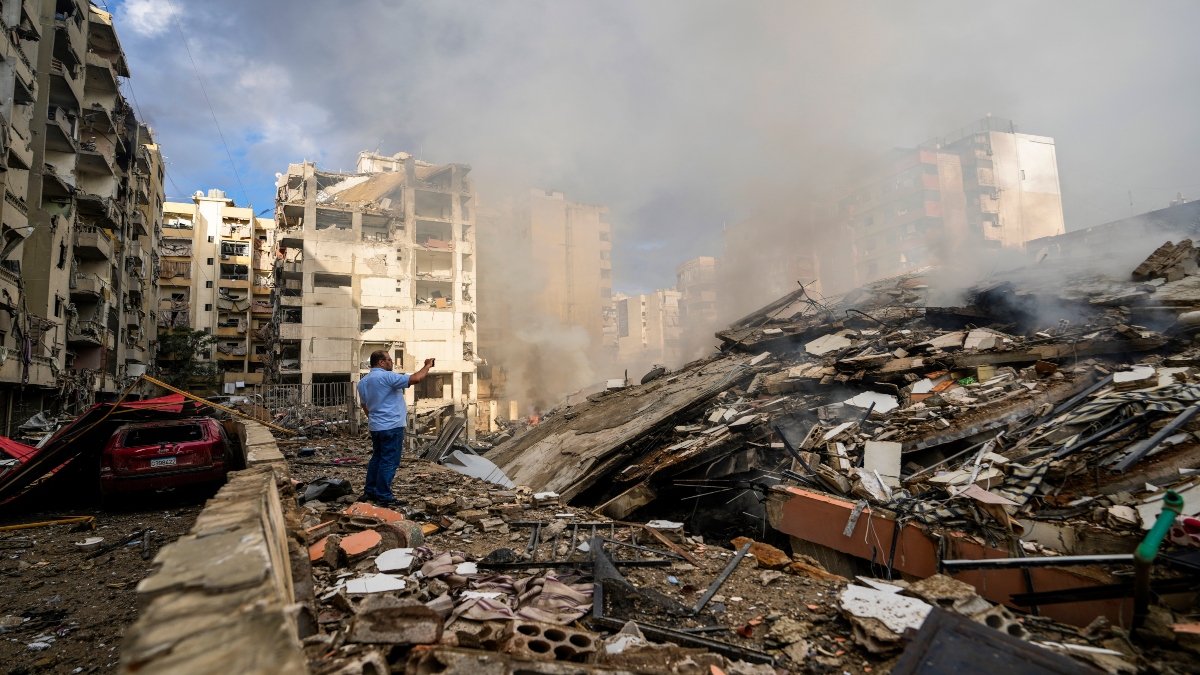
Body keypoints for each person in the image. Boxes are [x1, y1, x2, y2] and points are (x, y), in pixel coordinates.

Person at [356, 350, 434, 506]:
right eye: (390, 360)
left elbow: (364, 405)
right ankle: (384, 497)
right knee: (389, 461)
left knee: (377, 458)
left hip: (376, 426)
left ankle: (370, 492)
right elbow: (416, 379)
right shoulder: (387, 376)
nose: (392, 363)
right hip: (392, 426)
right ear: (381, 362)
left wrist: (374, 419)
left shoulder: (363, 382)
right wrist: (427, 366)